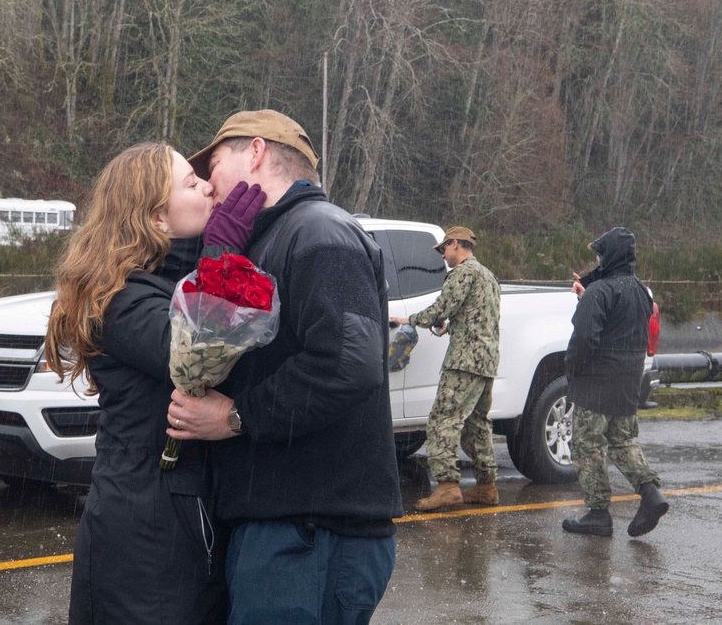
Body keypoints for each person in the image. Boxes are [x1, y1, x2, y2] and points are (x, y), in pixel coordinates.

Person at [166, 109, 402, 624]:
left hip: (311, 534)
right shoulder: (274, 236)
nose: (208, 184)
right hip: (286, 529)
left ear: (255, 151)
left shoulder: (320, 232)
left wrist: (235, 416)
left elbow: (350, 364)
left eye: (215, 164)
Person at [45, 142, 262, 624]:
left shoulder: (165, 283)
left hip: (172, 521)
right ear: (157, 219)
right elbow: (193, 354)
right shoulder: (121, 297)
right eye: (190, 183)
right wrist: (221, 255)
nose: (207, 185)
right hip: (145, 534)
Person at [561, 226, 669, 538]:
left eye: (599, 255)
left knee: (587, 444)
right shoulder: (640, 291)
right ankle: (651, 494)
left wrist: (573, 373)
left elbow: (584, 340)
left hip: (596, 383)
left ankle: (598, 514)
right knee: (622, 441)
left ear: (609, 257)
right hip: (628, 382)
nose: (597, 259)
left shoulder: (600, 292)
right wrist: (590, 292)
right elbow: (619, 325)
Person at [390, 226, 502, 511]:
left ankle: (447, 487)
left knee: (442, 420)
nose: (443, 256)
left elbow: (441, 307)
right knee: (476, 425)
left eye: (443, 250)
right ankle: (487, 486)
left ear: (455, 244)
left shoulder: (463, 273)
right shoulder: (488, 276)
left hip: (463, 363)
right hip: (486, 362)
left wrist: (410, 320)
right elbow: (478, 316)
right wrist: (449, 327)